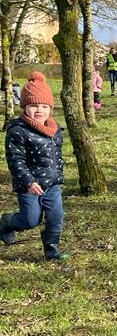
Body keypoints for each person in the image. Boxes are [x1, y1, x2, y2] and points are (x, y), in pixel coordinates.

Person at [0, 72, 67, 261]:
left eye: (44, 106)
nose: (39, 110)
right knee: (31, 220)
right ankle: (7, 223)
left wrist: (58, 177)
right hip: (30, 186)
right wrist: (28, 182)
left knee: (56, 217)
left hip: (52, 185)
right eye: (34, 106)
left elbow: (56, 156)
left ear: (50, 109)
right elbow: (16, 160)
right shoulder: (18, 131)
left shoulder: (54, 129)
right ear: (24, 107)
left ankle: (52, 249)